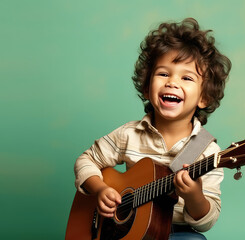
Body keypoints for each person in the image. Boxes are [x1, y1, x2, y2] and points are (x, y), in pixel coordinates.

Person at [74, 18, 231, 240]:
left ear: (204, 97)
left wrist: (194, 196)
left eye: (186, 77)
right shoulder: (129, 134)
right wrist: (99, 189)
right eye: (163, 74)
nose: (172, 82)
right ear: (147, 88)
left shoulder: (208, 152)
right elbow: (85, 160)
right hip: (125, 233)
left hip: (174, 233)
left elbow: (207, 221)